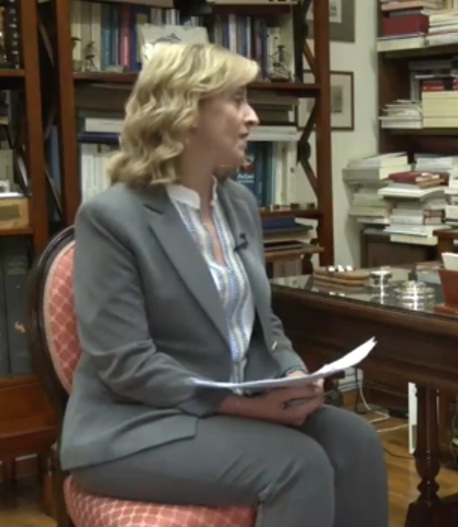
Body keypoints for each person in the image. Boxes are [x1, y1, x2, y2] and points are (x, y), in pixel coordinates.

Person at [60, 43, 388, 527]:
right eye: (236, 100)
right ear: (185, 112)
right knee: (298, 465)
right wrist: (245, 408)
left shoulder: (237, 204)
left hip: (225, 410)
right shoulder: (111, 218)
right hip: (135, 425)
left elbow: (263, 322)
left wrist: (295, 376)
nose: (252, 116)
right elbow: (125, 363)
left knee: (356, 442)